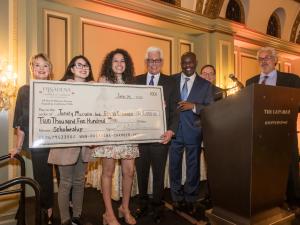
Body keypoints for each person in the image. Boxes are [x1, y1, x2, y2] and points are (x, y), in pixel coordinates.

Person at [246, 46, 300, 208]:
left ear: (275, 60)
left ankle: (294, 201)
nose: (264, 61)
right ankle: (268, 201)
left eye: (267, 57)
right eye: (261, 59)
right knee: (264, 168)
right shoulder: (251, 82)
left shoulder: (292, 80)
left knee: (289, 168)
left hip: (285, 132)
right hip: (260, 134)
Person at [93, 49, 138, 225]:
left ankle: (124, 208)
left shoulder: (131, 83)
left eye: (122, 61)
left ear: (126, 64)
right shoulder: (103, 80)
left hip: (128, 133)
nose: (119, 64)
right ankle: (108, 213)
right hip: (109, 133)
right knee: (108, 172)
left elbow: (137, 107)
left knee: (129, 171)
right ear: (109, 64)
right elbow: (97, 106)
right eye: (115, 61)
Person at [48, 55, 95, 225]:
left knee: (79, 183)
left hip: (85, 145)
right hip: (65, 146)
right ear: (72, 69)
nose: (83, 68)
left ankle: (76, 216)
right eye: (79, 65)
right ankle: (65, 220)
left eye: (86, 66)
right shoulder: (61, 89)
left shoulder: (94, 90)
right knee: (65, 183)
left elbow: (98, 116)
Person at [134, 46, 178, 223]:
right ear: (146, 63)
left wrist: (171, 130)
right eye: (151, 60)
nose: (154, 64)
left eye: (157, 60)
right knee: (141, 173)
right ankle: (142, 204)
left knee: (159, 175)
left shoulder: (171, 82)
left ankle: (157, 207)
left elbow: (176, 110)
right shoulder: (136, 81)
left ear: (162, 62)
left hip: (161, 137)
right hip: (141, 137)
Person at [10, 53, 55, 224]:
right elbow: (20, 122)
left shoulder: (57, 89)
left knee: (67, 179)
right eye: (37, 65)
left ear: (50, 69)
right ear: (32, 69)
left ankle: (70, 213)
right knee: (43, 178)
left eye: (45, 65)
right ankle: (47, 212)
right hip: (39, 144)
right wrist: (18, 146)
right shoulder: (24, 90)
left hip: (60, 142)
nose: (41, 68)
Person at [169, 52, 213, 215]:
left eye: (190, 63)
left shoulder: (205, 84)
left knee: (193, 166)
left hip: (194, 130)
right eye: (184, 63)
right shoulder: (171, 79)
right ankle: (176, 197)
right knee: (174, 165)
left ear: (196, 62)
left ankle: (191, 198)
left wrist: (194, 106)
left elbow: (210, 106)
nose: (187, 66)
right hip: (174, 130)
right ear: (181, 63)